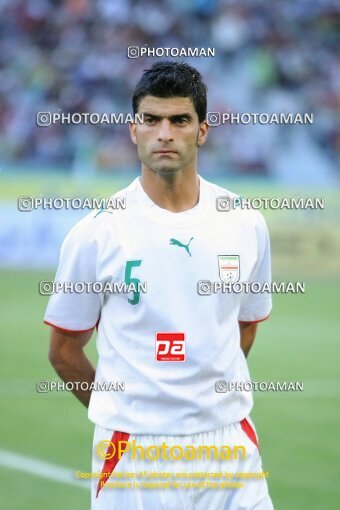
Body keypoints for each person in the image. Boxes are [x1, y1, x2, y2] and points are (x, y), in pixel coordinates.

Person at [44, 61, 274, 510]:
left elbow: (245, 325)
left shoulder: (245, 221)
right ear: (134, 131)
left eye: (179, 120)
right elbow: (64, 350)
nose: (164, 133)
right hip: (135, 450)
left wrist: (203, 395)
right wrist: (126, 414)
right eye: (151, 120)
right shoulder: (96, 232)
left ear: (202, 131)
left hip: (230, 444)